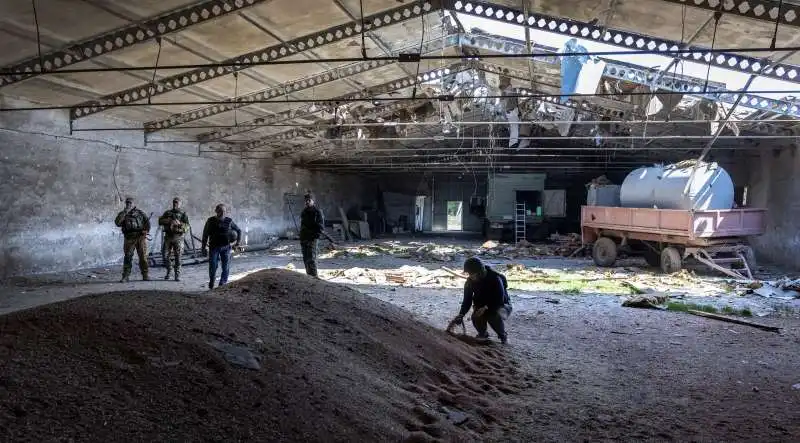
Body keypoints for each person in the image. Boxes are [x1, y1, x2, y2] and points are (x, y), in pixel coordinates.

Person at [450, 257, 512, 344]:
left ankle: (503, 335)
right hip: (482, 305)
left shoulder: (495, 278)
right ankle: (482, 334)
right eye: (469, 274)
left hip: (501, 305)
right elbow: (467, 300)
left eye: (472, 274)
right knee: (476, 316)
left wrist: (486, 308)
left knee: (493, 316)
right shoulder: (469, 282)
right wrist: (461, 314)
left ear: (480, 272)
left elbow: (499, 299)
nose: (470, 276)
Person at [201, 204, 241, 290]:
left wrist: (237, 243)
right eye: (220, 211)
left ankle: (222, 284)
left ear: (225, 212)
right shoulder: (210, 221)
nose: (222, 213)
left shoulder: (229, 221)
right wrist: (203, 248)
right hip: (214, 247)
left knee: (226, 266)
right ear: (216, 211)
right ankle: (212, 281)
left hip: (226, 247)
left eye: (224, 211)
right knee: (213, 266)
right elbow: (205, 235)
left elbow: (239, 230)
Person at [114, 196, 151, 282]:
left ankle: (145, 275)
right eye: (127, 203)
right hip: (129, 238)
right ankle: (125, 276)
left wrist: (145, 231)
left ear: (133, 204)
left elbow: (147, 223)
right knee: (128, 257)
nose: (129, 204)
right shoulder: (123, 214)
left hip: (140, 238)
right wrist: (124, 213)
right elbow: (117, 223)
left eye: (130, 203)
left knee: (143, 257)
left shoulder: (140, 213)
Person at [158, 197, 190, 281]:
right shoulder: (167, 213)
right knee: (165, 255)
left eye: (177, 202)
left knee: (178, 256)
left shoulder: (183, 214)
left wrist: (180, 224)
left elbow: (187, 226)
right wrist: (169, 221)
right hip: (168, 237)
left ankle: (177, 274)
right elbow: (160, 221)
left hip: (178, 237)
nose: (175, 204)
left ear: (180, 204)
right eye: (174, 202)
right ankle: (169, 270)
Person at [299, 192, 324, 278]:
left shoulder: (317, 212)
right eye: (306, 200)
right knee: (305, 259)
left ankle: (314, 278)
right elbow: (302, 226)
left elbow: (320, 228)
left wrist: (314, 238)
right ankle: (308, 277)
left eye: (309, 200)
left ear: (313, 201)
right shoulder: (304, 212)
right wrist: (301, 238)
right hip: (304, 239)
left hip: (312, 240)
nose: (307, 202)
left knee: (312, 259)